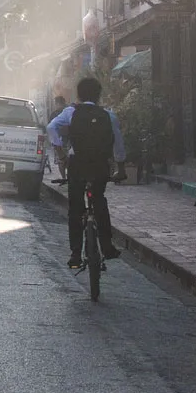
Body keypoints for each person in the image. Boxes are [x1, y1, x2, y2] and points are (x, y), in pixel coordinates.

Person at [48, 77, 125, 268]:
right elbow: (119, 144)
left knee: (75, 207)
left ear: (79, 95)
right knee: (99, 201)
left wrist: (60, 152)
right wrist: (120, 167)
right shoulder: (108, 115)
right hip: (99, 166)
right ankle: (107, 247)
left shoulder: (70, 112)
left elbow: (51, 127)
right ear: (99, 95)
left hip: (77, 165)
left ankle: (75, 254)